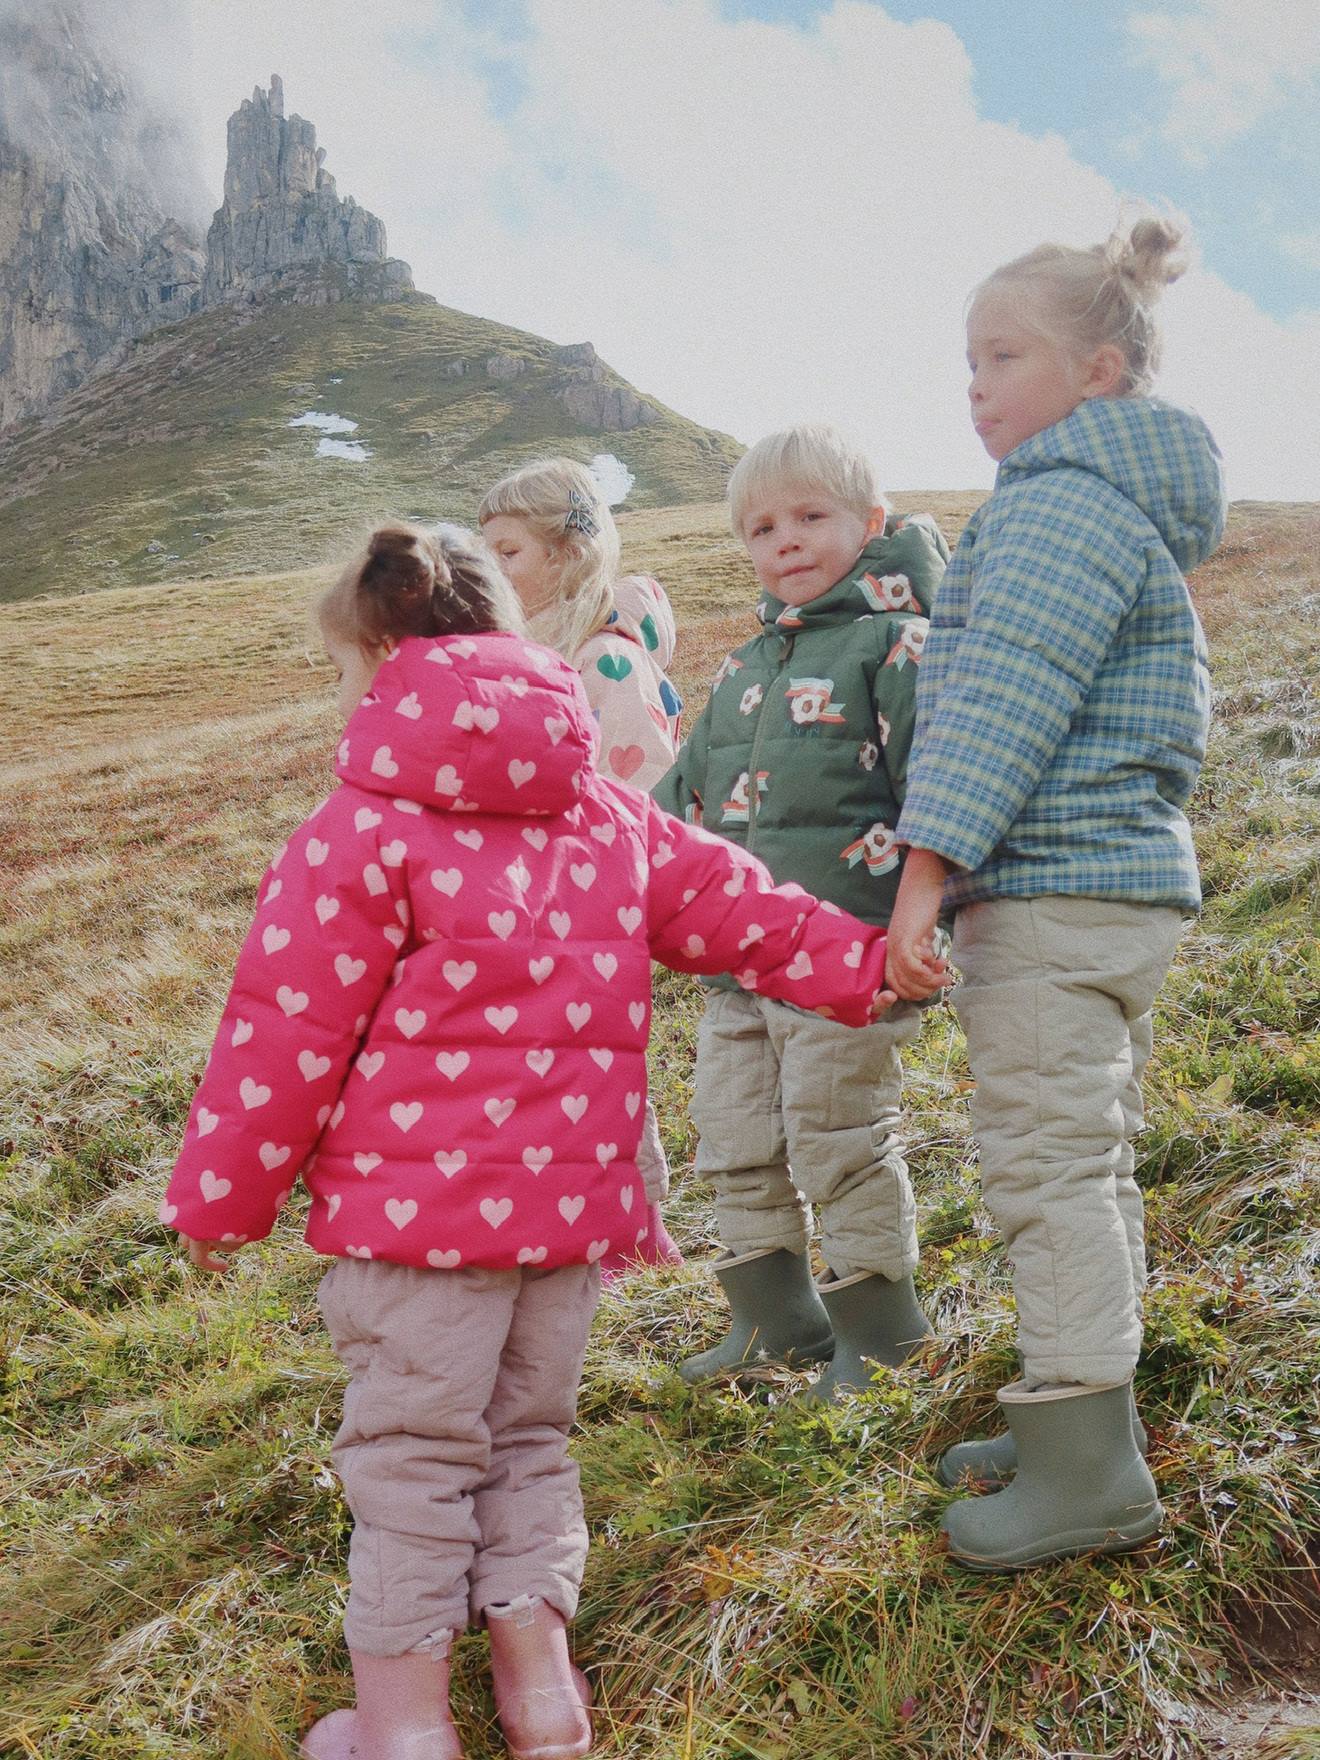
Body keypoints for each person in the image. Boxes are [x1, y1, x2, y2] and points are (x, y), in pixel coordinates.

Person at [160, 520, 910, 1760]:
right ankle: (543, 1702)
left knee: (409, 1458)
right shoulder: (603, 815)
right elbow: (742, 906)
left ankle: (402, 1727)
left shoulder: (362, 827)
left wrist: (219, 1205)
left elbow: (281, 1037)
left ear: (385, 649)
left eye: (346, 670)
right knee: (526, 1440)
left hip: (414, 1235)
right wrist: (871, 966)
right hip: (568, 1222)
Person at [886, 217, 1226, 1570]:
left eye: (1002, 356)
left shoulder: (1058, 502)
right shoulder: (1113, 499)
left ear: (1097, 368)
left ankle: (1090, 1474)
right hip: (1115, 891)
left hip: (1056, 886)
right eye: (966, 361)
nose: (975, 387)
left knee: (1045, 1165)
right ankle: (1080, 1418)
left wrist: (926, 875)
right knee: (1084, 1156)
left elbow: (998, 707)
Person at [652, 424, 951, 1400]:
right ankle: (773, 1319)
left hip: (847, 953)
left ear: (871, 523)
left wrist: (927, 914)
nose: (785, 541)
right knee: (733, 1130)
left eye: (811, 517)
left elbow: (946, 790)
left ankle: (883, 1333)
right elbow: (674, 803)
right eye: (761, 527)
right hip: (738, 959)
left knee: (836, 1136)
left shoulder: (900, 645)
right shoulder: (744, 669)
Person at [478, 458, 685, 1275]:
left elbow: (637, 788)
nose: (491, 571)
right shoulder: (522, 653)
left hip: (594, 911)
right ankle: (574, 1224)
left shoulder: (606, 662)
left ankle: (640, 1232)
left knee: (600, 1066)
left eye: (509, 552)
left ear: (567, 553)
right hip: (530, 911)